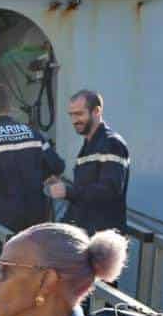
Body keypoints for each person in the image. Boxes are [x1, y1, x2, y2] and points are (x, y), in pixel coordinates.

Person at [0, 82, 65, 237]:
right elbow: (57, 166)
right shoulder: (32, 132)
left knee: (5, 260)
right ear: (9, 107)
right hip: (37, 217)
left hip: (4, 219)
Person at [46, 89, 130, 235]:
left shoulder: (112, 143)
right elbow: (84, 194)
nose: (74, 120)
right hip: (86, 235)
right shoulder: (88, 145)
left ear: (96, 111)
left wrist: (68, 191)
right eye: (71, 115)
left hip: (103, 241)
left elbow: (109, 191)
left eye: (79, 114)